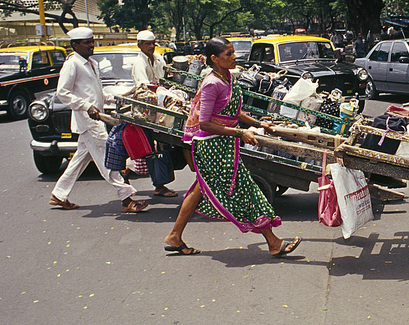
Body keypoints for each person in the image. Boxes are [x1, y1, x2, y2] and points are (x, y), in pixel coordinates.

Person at [163, 37, 302, 257]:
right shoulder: (211, 83)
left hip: (224, 145)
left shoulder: (227, 76)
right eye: (228, 54)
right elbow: (205, 122)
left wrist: (258, 123)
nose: (234, 57)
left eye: (233, 52)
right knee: (246, 190)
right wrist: (240, 132)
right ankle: (274, 242)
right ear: (214, 59)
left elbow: (232, 111)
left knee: (200, 189)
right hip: (211, 147)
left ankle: (174, 235)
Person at [49, 27, 146, 213]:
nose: (91, 45)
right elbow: (63, 93)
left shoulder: (91, 63)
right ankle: (126, 199)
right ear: (75, 45)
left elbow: (95, 91)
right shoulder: (72, 64)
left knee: (80, 159)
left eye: (92, 41)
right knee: (107, 159)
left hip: (95, 118)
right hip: (88, 121)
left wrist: (113, 99)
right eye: (86, 43)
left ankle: (59, 195)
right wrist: (86, 106)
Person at [129, 30, 178, 198]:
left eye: (152, 43)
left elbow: (165, 76)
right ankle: (157, 184)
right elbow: (143, 86)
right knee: (152, 146)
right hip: (148, 107)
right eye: (147, 44)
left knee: (158, 145)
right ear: (139, 45)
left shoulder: (157, 57)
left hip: (160, 102)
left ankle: (158, 182)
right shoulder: (138, 63)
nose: (151, 46)